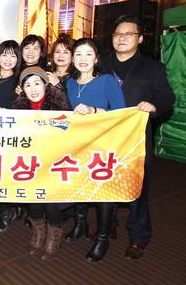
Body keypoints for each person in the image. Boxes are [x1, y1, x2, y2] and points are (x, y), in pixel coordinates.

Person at [101, 15, 175, 259]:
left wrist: (154, 106)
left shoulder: (153, 68)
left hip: (136, 140)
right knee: (102, 182)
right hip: (102, 138)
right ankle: (107, 226)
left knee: (137, 188)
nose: (121, 38)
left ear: (140, 39)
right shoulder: (100, 63)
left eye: (128, 34)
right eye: (117, 33)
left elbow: (167, 97)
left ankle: (138, 236)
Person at [66, 37, 125, 262]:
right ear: (72, 58)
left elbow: (120, 113)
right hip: (78, 144)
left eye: (88, 54)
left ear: (97, 58)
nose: (83, 59)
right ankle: (80, 224)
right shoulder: (70, 83)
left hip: (103, 144)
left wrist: (94, 110)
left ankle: (102, 238)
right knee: (79, 186)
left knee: (103, 192)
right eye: (78, 54)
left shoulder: (107, 81)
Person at [12, 66, 71, 259]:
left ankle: (54, 238)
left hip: (54, 164)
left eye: (37, 83)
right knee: (34, 203)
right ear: (22, 89)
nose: (33, 89)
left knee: (51, 204)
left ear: (45, 84)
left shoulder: (60, 106)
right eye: (28, 85)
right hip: (30, 164)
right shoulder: (19, 110)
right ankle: (38, 234)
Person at [0, 40, 23, 231]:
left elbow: (23, 110)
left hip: (8, 135)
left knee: (4, 174)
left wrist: (2, 111)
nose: (8, 59)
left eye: (13, 55)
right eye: (4, 54)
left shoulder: (20, 82)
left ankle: (6, 211)